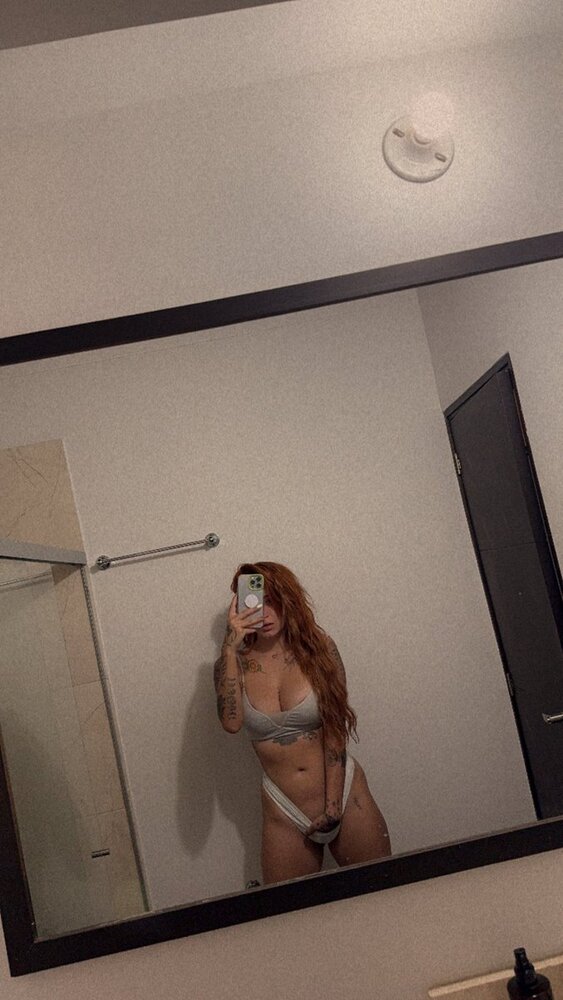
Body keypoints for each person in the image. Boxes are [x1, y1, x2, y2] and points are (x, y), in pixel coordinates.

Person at [213, 561, 391, 884]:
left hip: (344, 794)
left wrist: (333, 806)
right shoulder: (233, 664)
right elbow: (231, 722)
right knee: (289, 908)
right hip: (284, 809)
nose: (265, 613)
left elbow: (335, 727)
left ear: (289, 601)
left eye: (273, 601)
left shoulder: (320, 649)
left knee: (381, 890)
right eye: (256, 601)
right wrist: (229, 646)